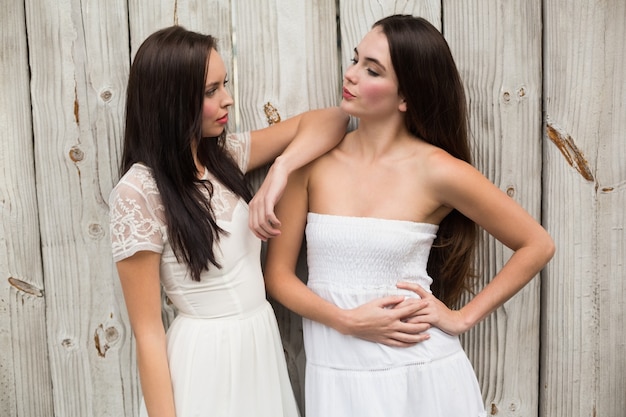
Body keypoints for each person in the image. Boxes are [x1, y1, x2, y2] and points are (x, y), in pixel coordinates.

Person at [262, 14, 555, 417]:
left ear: (406, 97)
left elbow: (537, 244)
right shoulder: (313, 163)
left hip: (423, 375)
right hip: (336, 376)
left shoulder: (436, 170)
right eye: (355, 59)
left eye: (372, 70)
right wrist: (345, 320)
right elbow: (277, 276)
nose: (351, 75)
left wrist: (461, 318)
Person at [108, 25, 350, 417]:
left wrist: (280, 169)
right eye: (210, 91)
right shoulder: (138, 193)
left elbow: (334, 121)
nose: (228, 99)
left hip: (258, 346)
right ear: (171, 100)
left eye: (225, 84)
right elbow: (148, 335)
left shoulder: (224, 156)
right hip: (206, 360)